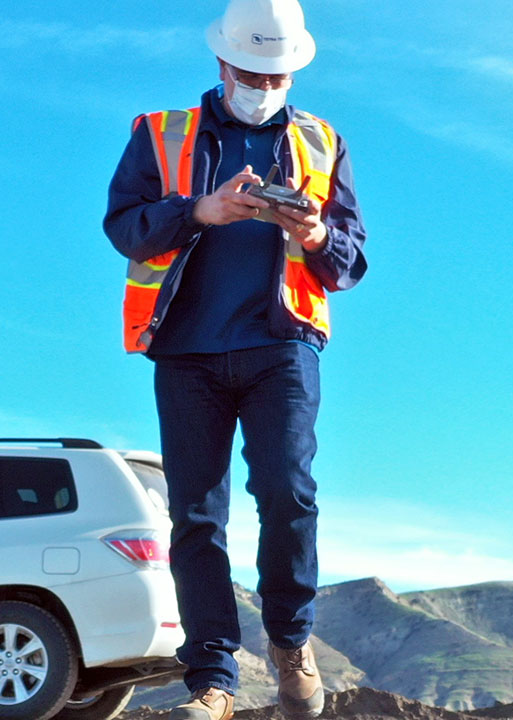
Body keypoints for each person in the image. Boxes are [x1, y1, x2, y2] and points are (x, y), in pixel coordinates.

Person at [103, 0, 367, 718]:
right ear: (221, 63)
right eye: (252, 71)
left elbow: (350, 263)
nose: (264, 84)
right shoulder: (159, 136)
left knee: (287, 494)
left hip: (282, 345)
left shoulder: (322, 141)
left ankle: (289, 641)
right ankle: (212, 682)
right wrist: (198, 211)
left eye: (277, 74)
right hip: (187, 349)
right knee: (196, 516)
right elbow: (124, 228)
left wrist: (315, 234)